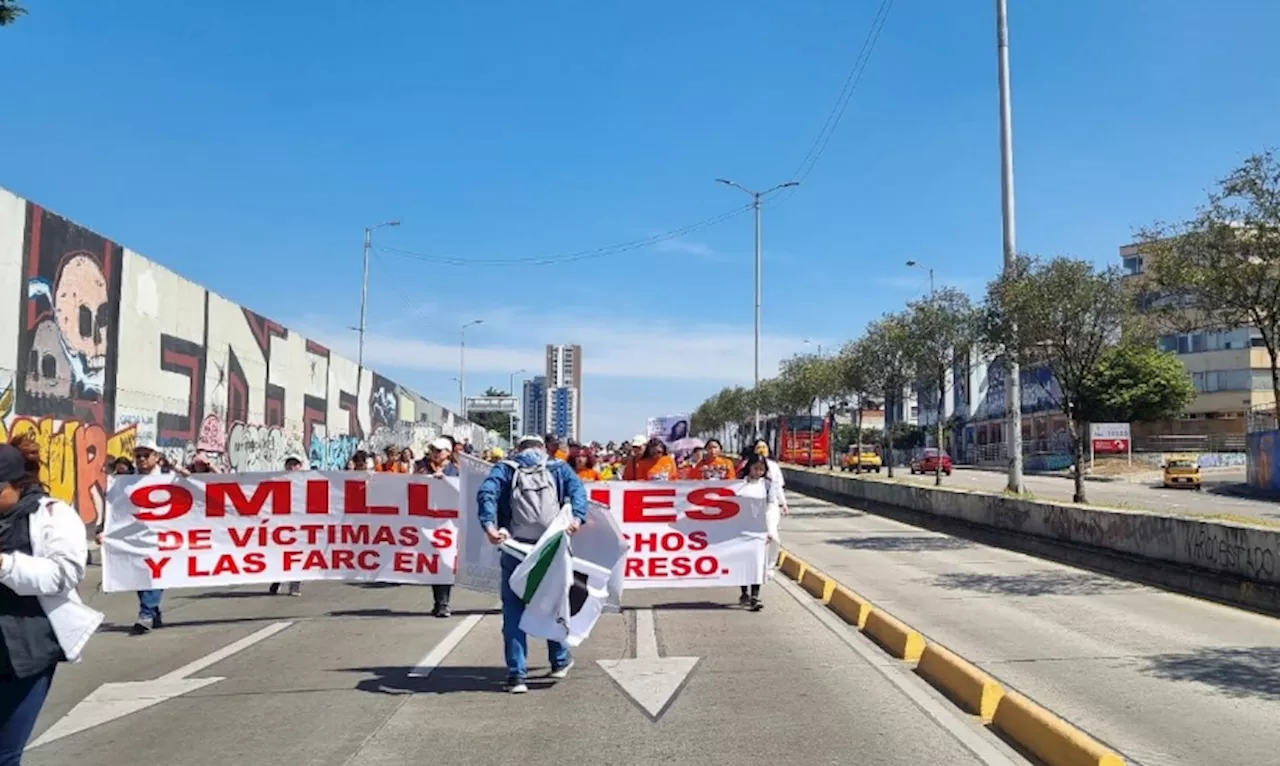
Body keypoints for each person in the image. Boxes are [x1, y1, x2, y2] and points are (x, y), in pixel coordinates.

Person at [0, 436, 102, 761]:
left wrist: (4, 564)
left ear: (18, 484)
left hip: (24, 653)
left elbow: (65, 574)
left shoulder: (52, 516)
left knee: (4, 754)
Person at [476, 434, 587, 695]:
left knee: (513, 609)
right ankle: (559, 661)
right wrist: (578, 519)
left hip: (515, 547)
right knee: (553, 601)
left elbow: (486, 494)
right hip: (551, 547)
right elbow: (578, 492)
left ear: (519, 449)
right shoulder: (557, 467)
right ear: (541, 449)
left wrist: (490, 526)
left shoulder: (506, 468)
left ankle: (517, 675)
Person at [132, 442, 170, 634]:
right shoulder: (127, 481)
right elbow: (116, 508)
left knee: (156, 573)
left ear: (156, 456)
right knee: (140, 575)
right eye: (138, 455)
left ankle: (146, 613)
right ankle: (153, 612)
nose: (141, 459)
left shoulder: (169, 479)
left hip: (161, 536)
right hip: (136, 536)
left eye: (146, 455)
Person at [736, 453, 782, 611]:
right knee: (744, 561)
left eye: (761, 469)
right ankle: (744, 592)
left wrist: (769, 529)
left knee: (757, 562)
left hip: (759, 528)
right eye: (755, 468)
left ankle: (755, 596)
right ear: (749, 467)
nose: (758, 472)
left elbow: (770, 507)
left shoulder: (767, 485)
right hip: (741, 527)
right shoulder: (739, 484)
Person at [269, 457, 306, 597]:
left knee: (298, 556)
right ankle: (276, 581)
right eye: (290, 464)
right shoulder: (278, 481)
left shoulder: (307, 481)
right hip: (283, 524)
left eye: (295, 464)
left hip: (301, 524)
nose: (292, 467)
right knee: (281, 555)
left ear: (300, 466)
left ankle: (295, 586)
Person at [752, 439, 791, 516]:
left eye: (764, 447)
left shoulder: (774, 466)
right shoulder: (749, 464)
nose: (762, 450)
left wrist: (783, 503)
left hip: (770, 504)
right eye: (759, 447)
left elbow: (778, 486)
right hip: (753, 503)